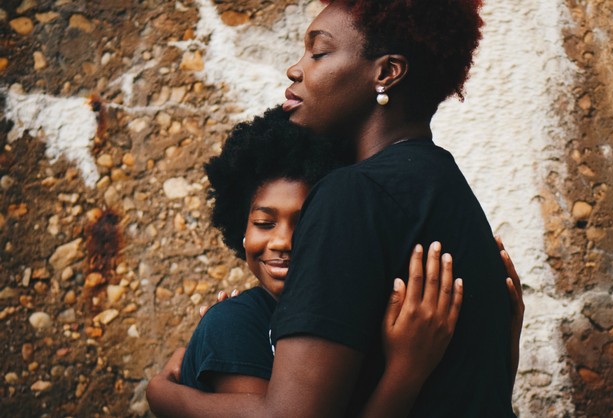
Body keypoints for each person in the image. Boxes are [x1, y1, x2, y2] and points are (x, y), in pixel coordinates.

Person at [147, 0, 523, 416]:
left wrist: (167, 397)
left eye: (318, 52)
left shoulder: (351, 194)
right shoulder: (446, 187)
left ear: (385, 73)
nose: (296, 69)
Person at [172, 107, 464, 417]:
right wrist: (406, 371)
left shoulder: (346, 318)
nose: (283, 241)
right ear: (241, 231)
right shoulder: (234, 323)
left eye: (305, 223)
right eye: (264, 223)